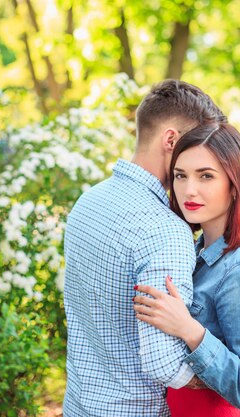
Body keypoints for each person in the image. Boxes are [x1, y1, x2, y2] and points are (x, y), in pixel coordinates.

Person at [62, 80, 227, 416]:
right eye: (199, 142)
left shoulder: (88, 201)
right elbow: (165, 364)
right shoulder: (165, 230)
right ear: (170, 140)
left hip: (78, 405)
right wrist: (224, 377)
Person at [133, 123, 240, 417]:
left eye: (206, 176)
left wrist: (190, 330)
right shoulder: (194, 251)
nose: (189, 190)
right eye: (180, 176)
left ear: (235, 185)